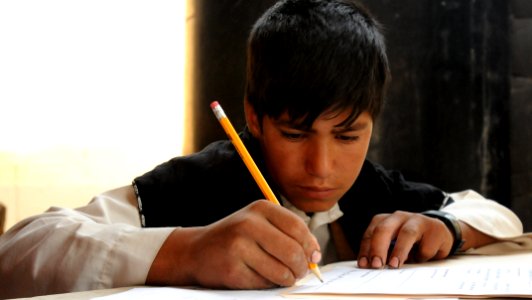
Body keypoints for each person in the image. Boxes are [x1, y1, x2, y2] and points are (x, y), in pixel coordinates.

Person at [0, 0, 524, 298]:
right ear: (253, 118)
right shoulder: (197, 182)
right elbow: (17, 253)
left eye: (347, 136)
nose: (322, 168)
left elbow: (494, 212)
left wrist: (447, 227)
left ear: (372, 123)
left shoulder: (373, 187)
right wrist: (184, 253)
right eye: (295, 134)